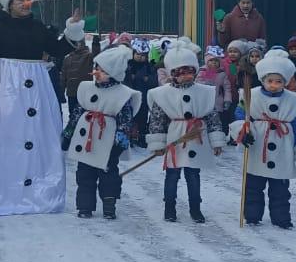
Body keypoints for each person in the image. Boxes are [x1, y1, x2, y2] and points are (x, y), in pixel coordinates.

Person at [0, 0, 85, 216]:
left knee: (39, 132)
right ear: (9, 2)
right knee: (7, 133)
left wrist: (73, 29)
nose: (26, 3)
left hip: (38, 86)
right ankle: (6, 189)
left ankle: (37, 191)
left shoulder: (38, 27)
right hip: (6, 86)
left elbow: (58, 49)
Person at [146, 39, 227, 223]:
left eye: (189, 71)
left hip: (195, 138)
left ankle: (195, 208)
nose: (185, 76)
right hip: (175, 138)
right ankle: (169, 208)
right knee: (172, 175)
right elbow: (157, 120)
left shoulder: (205, 92)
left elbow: (212, 117)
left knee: (193, 175)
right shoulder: (163, 94)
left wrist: (216, 141)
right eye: (179, 72)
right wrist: (158, 143)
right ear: (171, 73)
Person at [231, 49, 296, 229]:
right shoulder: (250, 95)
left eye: (279, 82)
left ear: (285, 82)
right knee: (253, 186)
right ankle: (252, 215)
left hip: (282, 148)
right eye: (270, 81)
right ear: (262, 80)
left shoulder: (294, 100)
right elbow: (240, 115)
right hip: (257, 145)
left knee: (280, 189)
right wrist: (243, 132)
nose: (274, 85)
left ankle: (281, 218)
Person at [64, 44, 138, 220]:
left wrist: (120, 143)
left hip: (107, 140)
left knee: (108, 175)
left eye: (102, 70)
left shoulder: (122, 94)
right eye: (96, 68)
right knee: (84, 174)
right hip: (86, 141)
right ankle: (84, 206)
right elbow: (77, 112)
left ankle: (109, 205)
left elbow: (125, 120)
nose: (96, 73)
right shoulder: (86, 88)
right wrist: (68, 134)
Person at [124, 39, 156, 149]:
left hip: (143, 97)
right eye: (137, 54)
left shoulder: (149, 67)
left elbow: (154, 82)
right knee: (128, 118)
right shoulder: (128, 66)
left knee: (142, 119)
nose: (140, 57)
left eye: (143, 55)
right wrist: (129, 77)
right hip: (129, 97)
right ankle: (128, 138)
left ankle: (141, 137)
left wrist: (147, 79)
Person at [59, 26, 94, 120]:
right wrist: (61, 93)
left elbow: (96, 55)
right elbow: (63, 77)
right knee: (72, 116)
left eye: (79, 42)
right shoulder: (67, 58)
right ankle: (72, 133)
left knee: (85, 116)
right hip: (72, 93)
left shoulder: (88, 56)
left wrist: (96, 45)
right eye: (75, 43)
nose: (77, 45)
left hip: (85, 93)